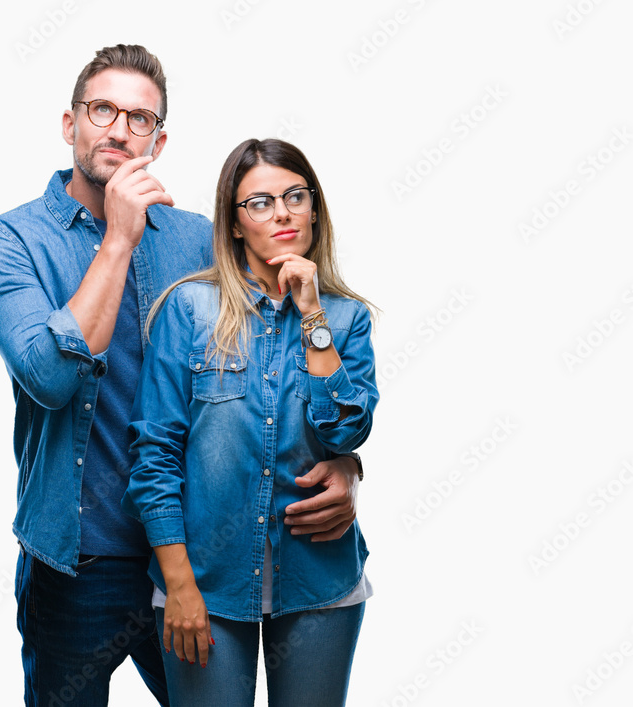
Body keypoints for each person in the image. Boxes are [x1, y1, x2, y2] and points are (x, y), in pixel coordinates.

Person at [0, 45, 365, 706]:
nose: (120, 130)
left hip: (195, 555)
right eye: (103, 110)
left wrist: (343, 461)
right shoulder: (10, 239)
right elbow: (50, 379)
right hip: (76, 561)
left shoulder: (199, 237)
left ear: (158, 139)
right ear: (71, 124)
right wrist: (119, 238)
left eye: (140, 118)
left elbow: (277, 365)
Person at [122, 138, 378, 707]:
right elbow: (155, 454)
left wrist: (312, 313)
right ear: (235, 224)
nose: (282, 212)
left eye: (294, 196)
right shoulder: (188, 309)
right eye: (259, 202)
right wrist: (180, 585)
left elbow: (345, 432)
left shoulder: (346, 317)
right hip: (204, 586)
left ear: (315, 208)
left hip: (318, 581)